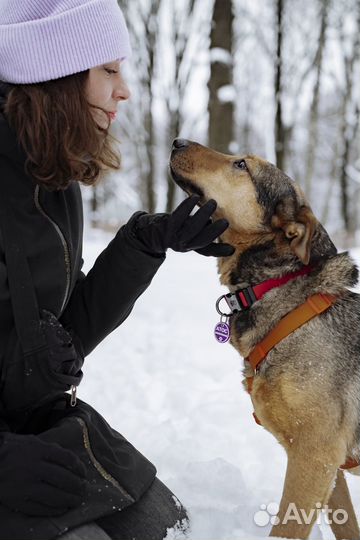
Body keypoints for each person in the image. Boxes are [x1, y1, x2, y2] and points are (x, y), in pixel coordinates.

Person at [0, 1, 234, 539]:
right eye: (108, 70)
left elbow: (57, 338)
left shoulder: (49, 180)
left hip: (33, 425)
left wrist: (145, 242)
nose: (123, 91)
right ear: (54, 75)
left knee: (166, 526)